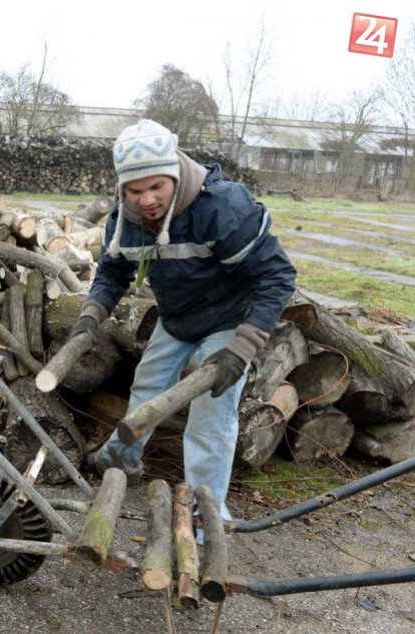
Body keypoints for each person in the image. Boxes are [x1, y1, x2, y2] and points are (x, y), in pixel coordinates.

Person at [72, 119, 296, 521]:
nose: (146, 200)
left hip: (230, 320)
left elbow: (277, 276)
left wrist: (240, 350)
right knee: (146, 392)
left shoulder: (222, 208)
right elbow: (112, 272)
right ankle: (121, 463)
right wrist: (91, 315)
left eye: (156, 186)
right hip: (176, 319)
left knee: (212, 417)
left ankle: (207, 515)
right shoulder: (126, 220)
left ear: (173, 172)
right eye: (135, 190)